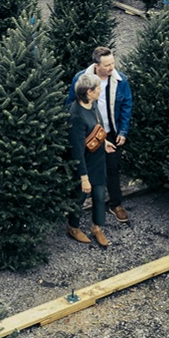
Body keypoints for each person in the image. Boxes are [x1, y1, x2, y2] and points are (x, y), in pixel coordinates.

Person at [66, 46, 132, 223]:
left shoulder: (120, 80)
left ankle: (115, 204)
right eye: (107, 65)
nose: (112, 67)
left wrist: (123, 131)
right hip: (88, 132)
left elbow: (126, 105)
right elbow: (70, 103)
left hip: (109, 133)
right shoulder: (81, 79)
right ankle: (76, 215)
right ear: (96, 65)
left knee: (112, 168)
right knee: (86, 169)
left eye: (113, 63)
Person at [67, 75, 110, 247]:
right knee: (80, 196)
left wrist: (104, 142)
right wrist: (83, 177)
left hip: (98, 161)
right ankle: (73, 227)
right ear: (88, 92)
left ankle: (97, 227)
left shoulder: (93, 105)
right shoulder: (76, 116)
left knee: (99, 195)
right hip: (85, 164)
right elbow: (76, 151)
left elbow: (96, 127)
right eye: (97, 88)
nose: (100, 90)